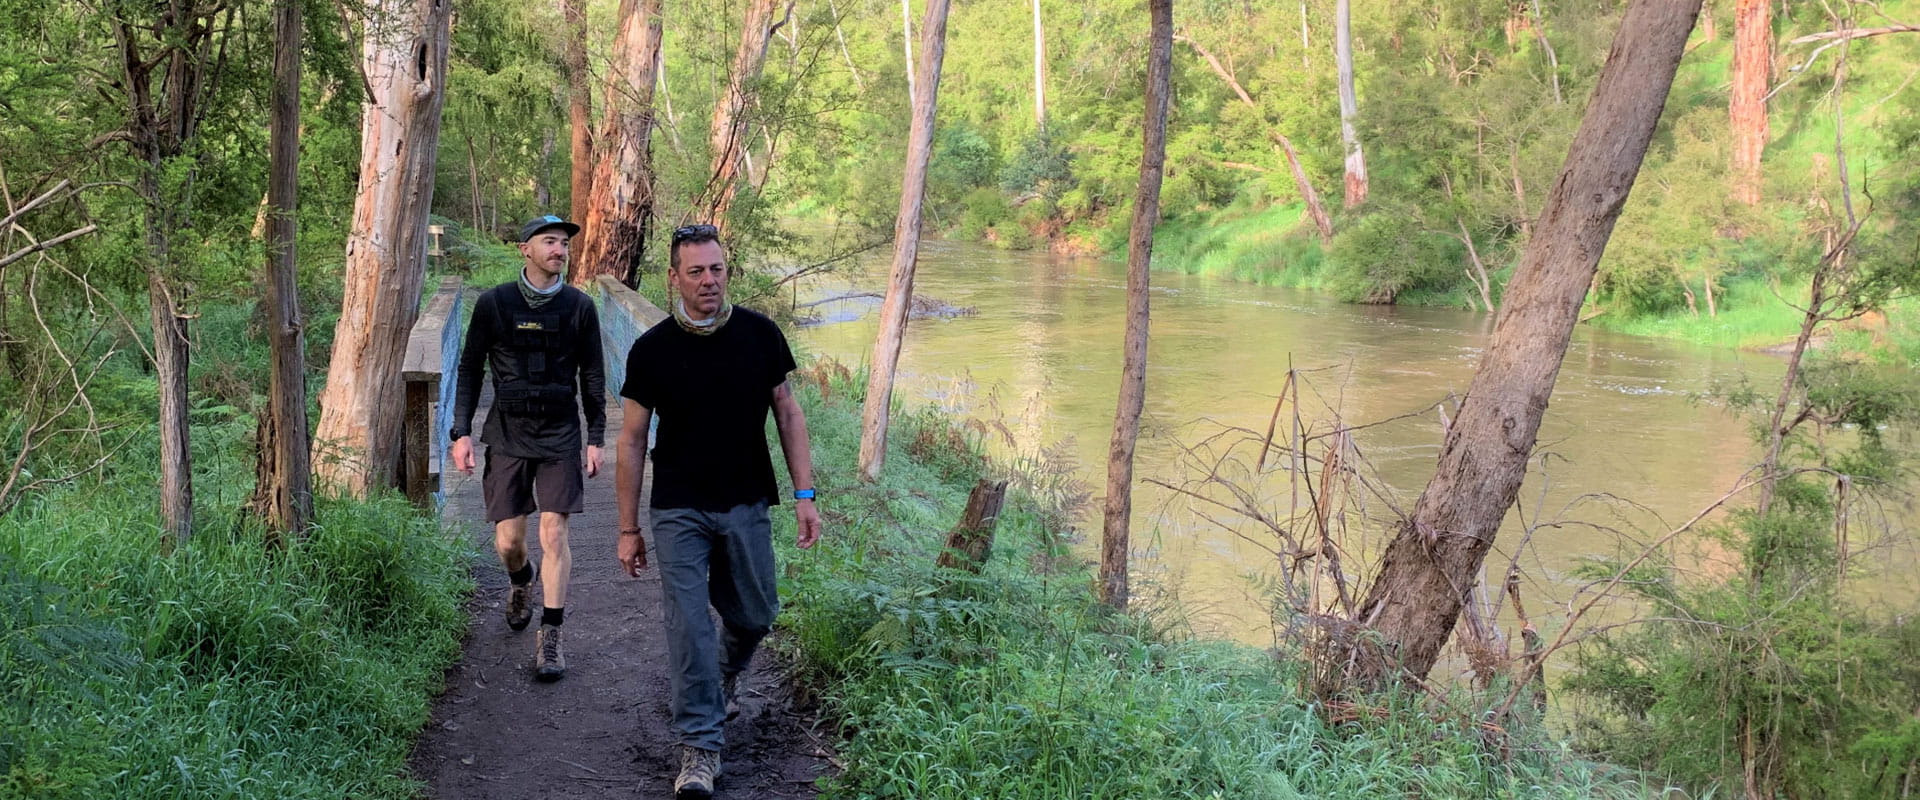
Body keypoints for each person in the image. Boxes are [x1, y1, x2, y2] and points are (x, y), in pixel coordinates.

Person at [614, 223, 822, 799]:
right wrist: (628, 527)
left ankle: (724, 677)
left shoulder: (759, 335)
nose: (709, 281)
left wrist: (805, 496)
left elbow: (787, 413)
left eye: (717, 269)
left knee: (756, 614)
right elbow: (630, 440)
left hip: (747, 498)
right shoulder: (652, 349)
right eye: (697, 271)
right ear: (674, 277)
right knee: (689, 629)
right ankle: (700, 749)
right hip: (678, 505)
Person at [450, 214, 606, 683]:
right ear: (526, 249)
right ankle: (521, 581)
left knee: (554, 533)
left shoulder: (580, 307)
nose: (560, 250)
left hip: (560, 431)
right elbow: (470, 369)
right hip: (509, 432)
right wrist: (460, 432)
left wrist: (596, 436)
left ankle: (551, 635)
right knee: (509, 541)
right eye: (550, 242)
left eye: (563, 243)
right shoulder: (494, 304)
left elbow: (594, 376)